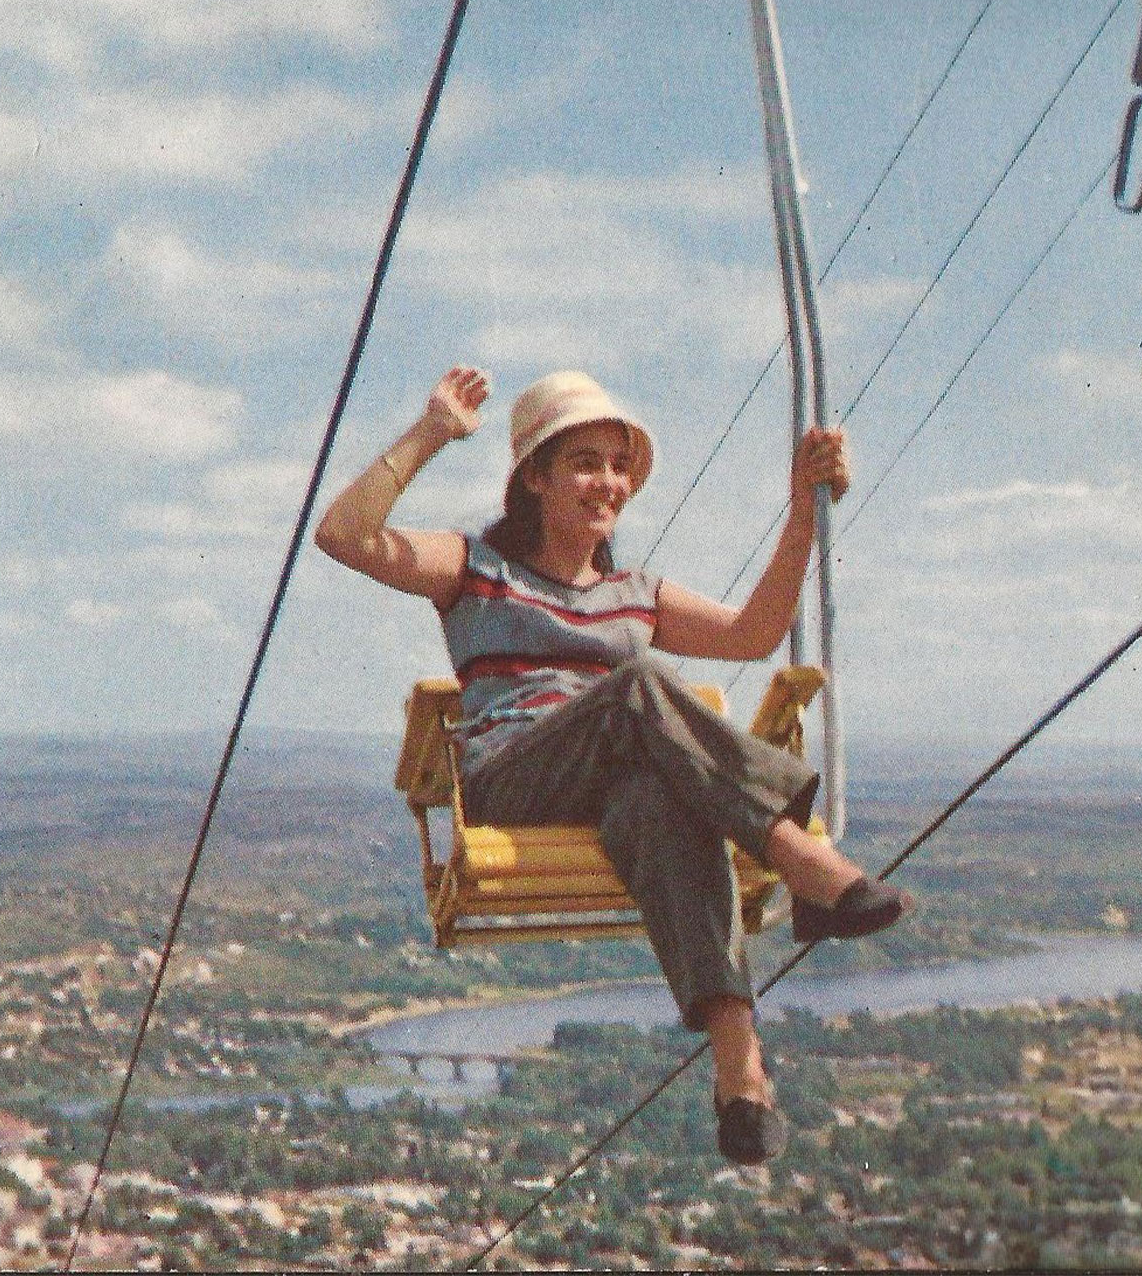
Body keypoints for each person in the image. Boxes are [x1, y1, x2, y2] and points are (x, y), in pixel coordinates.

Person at [315, 366, 913, 1164]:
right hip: (515, 777)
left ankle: (740, 1075)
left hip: (608, 784)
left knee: (663, 804)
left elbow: (753, 633)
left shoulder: (635, 593)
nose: (610, 482)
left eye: (619, 465)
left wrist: (805, 511)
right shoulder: (475, 569)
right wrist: (430, 433)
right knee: (635, 687)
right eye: (586, 462)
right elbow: (343, 537)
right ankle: (802, 857)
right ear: (534, 477)